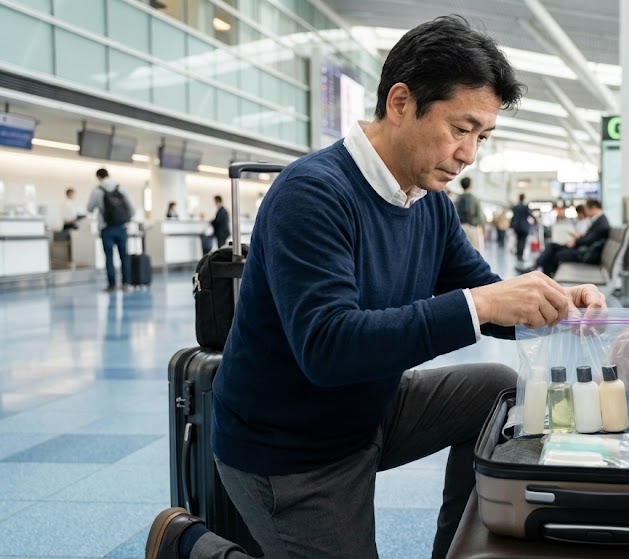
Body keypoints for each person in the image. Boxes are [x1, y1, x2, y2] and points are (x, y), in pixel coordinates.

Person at [144, 16, 605, 559]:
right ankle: (190, 545)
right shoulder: (312, 194)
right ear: (401, 102)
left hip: (370, 407)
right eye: (461, 129)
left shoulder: (428, 203)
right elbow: (329, 348)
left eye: (482, 137)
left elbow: (487, 294)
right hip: (291, 445)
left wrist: (555, 305)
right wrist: (479, 304)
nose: (469, 154)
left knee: (494, 390)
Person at [517, 199, 610, 277]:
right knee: (552, 246)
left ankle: (542, 275)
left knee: (557, 254)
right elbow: (589, 238)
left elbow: (588, 239)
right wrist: (578, 240)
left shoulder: (601, 222)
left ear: (593, 208)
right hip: (583, 250)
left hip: (585, 255)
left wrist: (576, 241)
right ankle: (540, 273)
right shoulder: (600, 220)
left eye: (587, 209)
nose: (586, 212)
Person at [86, 169, 134, 292]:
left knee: (109, 257)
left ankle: (112, 285)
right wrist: (126, 219)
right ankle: (126, 283)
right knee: (124, 256)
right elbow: (132, 208)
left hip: (106, 228)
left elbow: (89, 208)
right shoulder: (121, 188)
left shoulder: (97, 190)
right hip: (122, 227)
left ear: (98, 177)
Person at [456, 176, 485, 251]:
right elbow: (480, 217)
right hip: (473, 228)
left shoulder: (457, 199)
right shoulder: (474, 199)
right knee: (475, 252)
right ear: (470, 185)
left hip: (460, 228)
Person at [510, 193, 532, 263]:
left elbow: (513, 217)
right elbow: (530, 214)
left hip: (517, 226)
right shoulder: (525, 207)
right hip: (524, 226)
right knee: (522, 241)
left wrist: (511, 225)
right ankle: (520, 255)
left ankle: (518, 255)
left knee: (518, 240)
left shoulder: (515, 207)